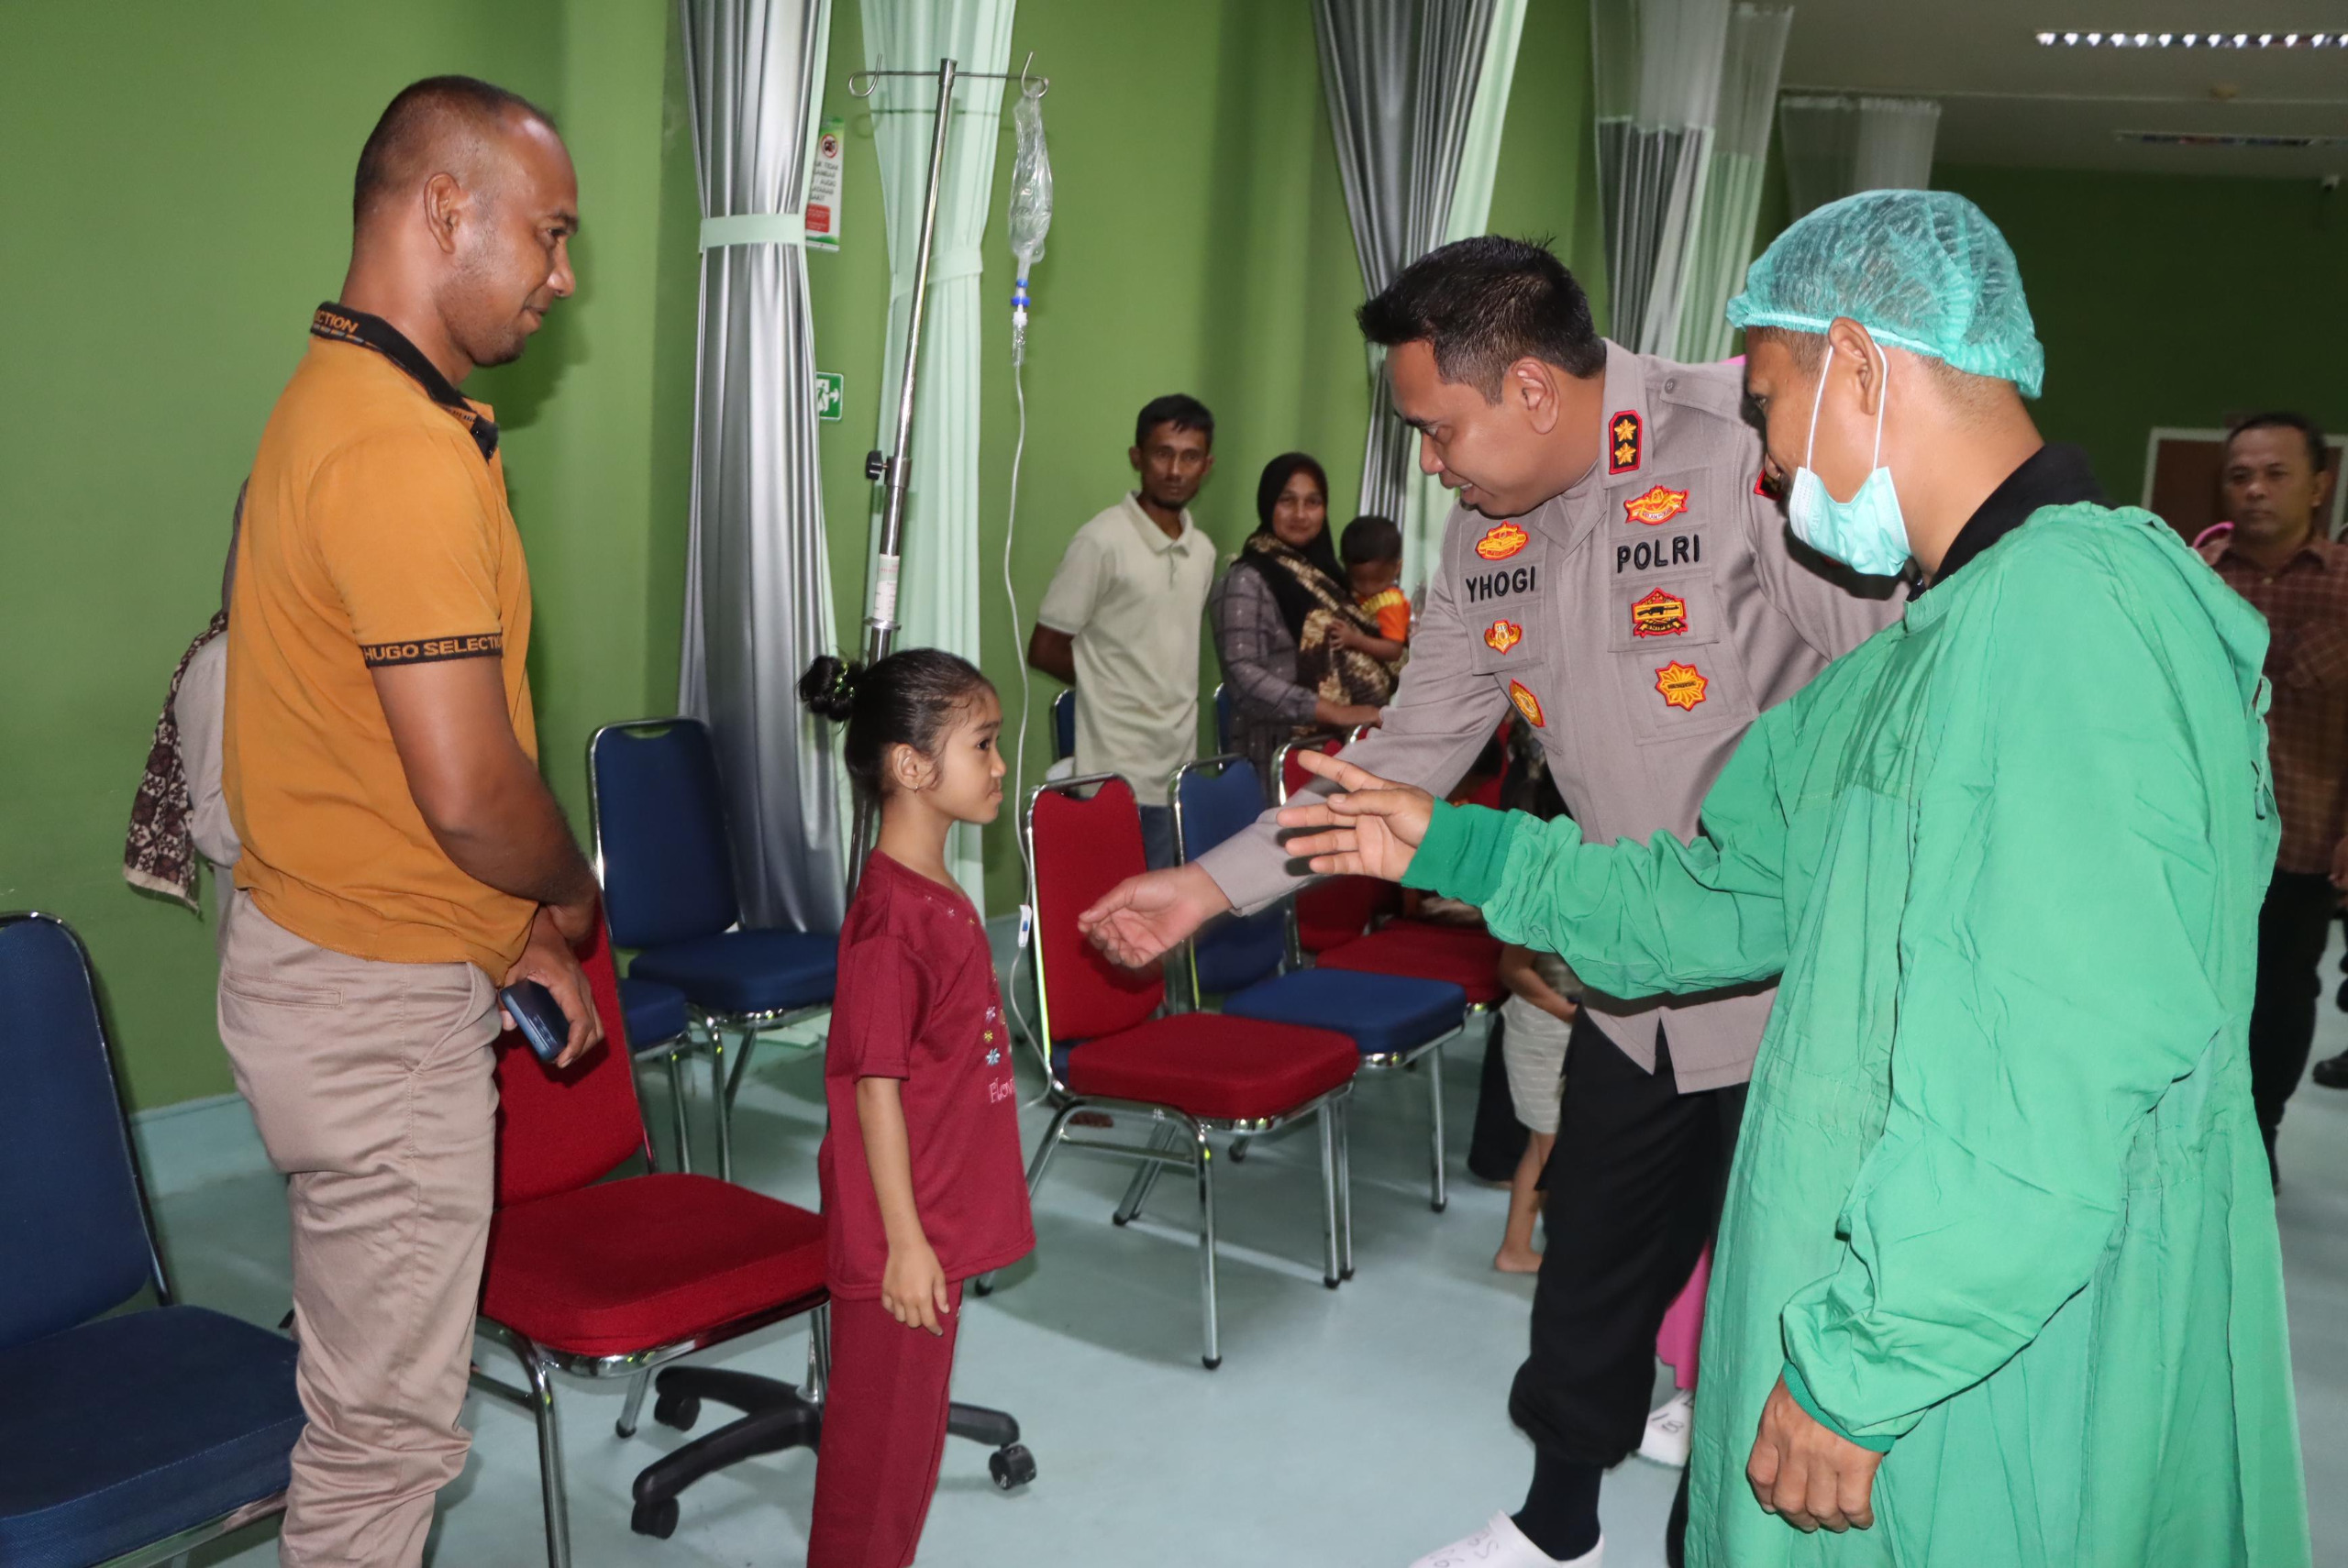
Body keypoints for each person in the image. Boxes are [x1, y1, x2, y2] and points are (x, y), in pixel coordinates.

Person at [1276, 190, 2310, 1568]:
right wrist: (1450, 843)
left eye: (1765, 402)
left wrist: (1864, 1366)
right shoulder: (1926, 652)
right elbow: (1716, 897)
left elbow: (2046, 1077)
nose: (1758, 455)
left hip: (1988, 1366)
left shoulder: (2073, 630)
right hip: (1921, 1325)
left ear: (1862, 366)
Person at [1080, 235, 1899, 1568]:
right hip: (1629, 983)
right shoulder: (1485, 536)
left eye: (1435, 425)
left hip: (1802, 995)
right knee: (1587, 1281)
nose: (1428, 462)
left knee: (1770, 1311)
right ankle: (1557, 1527)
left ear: (1528, 386)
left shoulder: (1745, 447)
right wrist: (1201, 887)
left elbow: (1894, 691)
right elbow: (1399, 765)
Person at [216, 77, 602, 1566]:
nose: (561, 279)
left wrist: (510, 940)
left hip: (355, 953)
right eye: (549, 235)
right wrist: (569, 890)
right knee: (381, 1453)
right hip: (374, 1022)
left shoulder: (348, 399)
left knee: (357, 1400)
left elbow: (376, 776)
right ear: (446, 209)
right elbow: (469, 789)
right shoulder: (393, 449)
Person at [798, 649, 1036, 1568]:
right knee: (877, 1467)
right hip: (902, 1235)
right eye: (982, 744)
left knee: (906, 1452)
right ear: (910, 766)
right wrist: (903, 1243)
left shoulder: (934, 895)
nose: (1000, 764)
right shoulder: (890, 922)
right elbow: (874, 1088)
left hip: (930, 1218)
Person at [2196, 414, 2348, 1144]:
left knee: (2283, 999)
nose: (2255, 489)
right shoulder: (2193, 582)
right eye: (2240, 475)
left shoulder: (2345, 589)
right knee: (2195, 991)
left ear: (2319, 486)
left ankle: (2260, 1136)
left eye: (2276, 474)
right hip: (2199, 840)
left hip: (2301, 841)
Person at [1029, 394, 1220, 867]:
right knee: (1115, 909)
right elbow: (1045, 648)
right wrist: (1110, 687)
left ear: (1207, 465)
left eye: (1190, 456)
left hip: (1177, 766)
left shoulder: (1204, 552)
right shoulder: (1102, 540)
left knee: (1160, 913)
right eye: (1162, 453)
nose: (1175, 469)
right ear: (1137, 457)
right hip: (1113, 768)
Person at [1210, 453, 1398, 797]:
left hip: (1344, 751)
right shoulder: (1245, 580)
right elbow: (1243, 676)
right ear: (1268, 504)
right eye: (1287, 501)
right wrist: (1333, 711)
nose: (1300, 514)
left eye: (1313, 502)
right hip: (1276, 758)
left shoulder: (1331, 578)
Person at [1344, 513, 1413, 646]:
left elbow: (1394, 649)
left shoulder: (1390, 604)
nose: (1368, 589)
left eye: (1378, 581)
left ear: (1397, 568)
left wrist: (1354, 640)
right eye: (1359, 581)